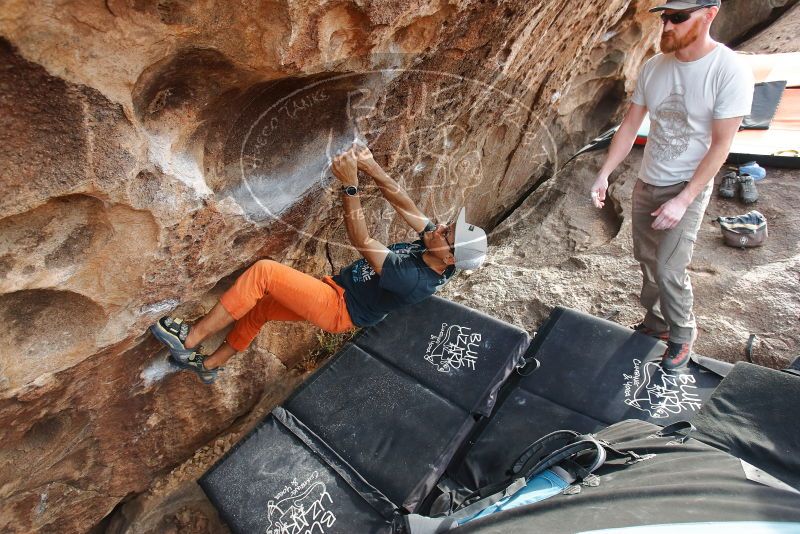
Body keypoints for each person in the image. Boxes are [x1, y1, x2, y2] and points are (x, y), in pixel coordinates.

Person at [150, 143, 488, 383]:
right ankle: (211, 364)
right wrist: (371, 166)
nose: (440, 227)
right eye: (447, 225)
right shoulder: (438, 251)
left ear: (450, 256)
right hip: (339, 293)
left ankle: (190, 339)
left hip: (338, 307)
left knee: (264, 273)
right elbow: (405, 203)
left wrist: (351, 184)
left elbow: (364, 241)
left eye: (448, 234)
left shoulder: (413, 279)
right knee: (262, 308)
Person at [590, 0, 753, 369]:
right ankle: (657, 322)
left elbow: (721, 145)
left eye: (678, 18)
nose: (667, 25)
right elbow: (630, 126)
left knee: (668, 267)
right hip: (649, 179)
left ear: (709, 14)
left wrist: (684, 199)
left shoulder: (729, 70)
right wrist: (605, 173)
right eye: (665, 17)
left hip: (687, 186)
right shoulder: (654, 67)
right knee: (646, 259)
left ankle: (683, 332)